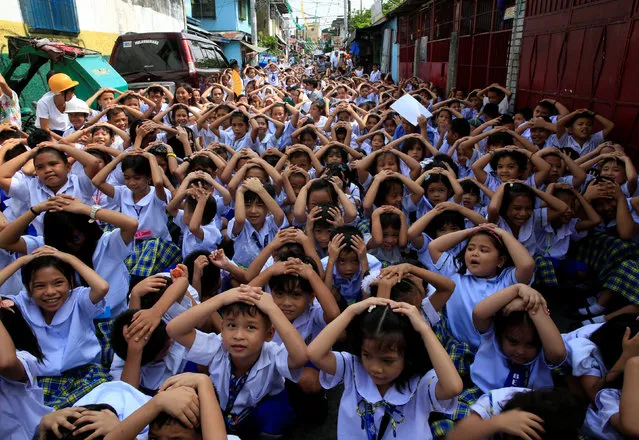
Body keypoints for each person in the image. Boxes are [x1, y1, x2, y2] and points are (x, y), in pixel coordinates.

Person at [307, 296, 463, 439]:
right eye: (367, 355)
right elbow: (314, 353)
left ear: (407, 357)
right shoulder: (353, 368)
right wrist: (351, 311)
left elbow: (453, 387)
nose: (375, 368)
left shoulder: (420, 385)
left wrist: (424, 329)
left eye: (387, 361)